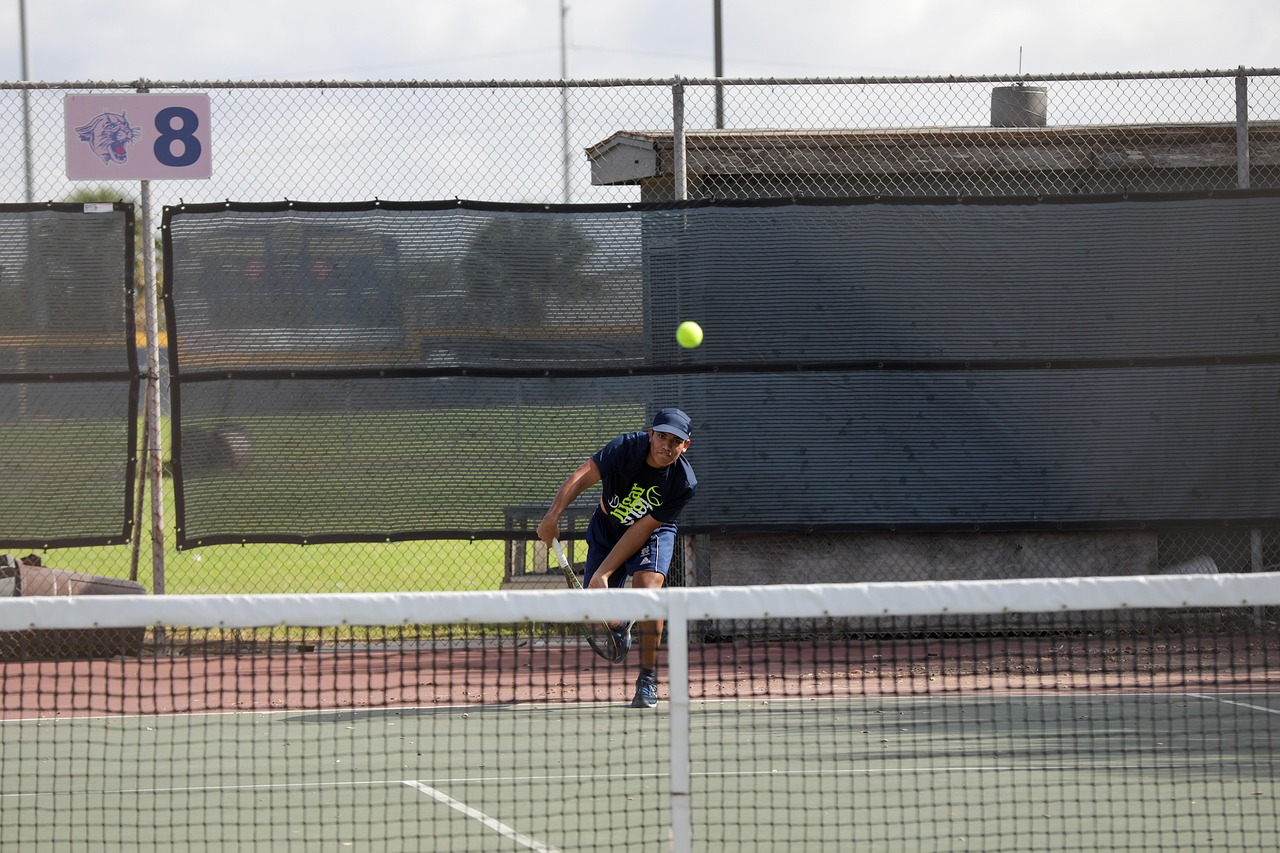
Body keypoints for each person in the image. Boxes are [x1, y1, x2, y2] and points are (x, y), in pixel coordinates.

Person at [536, 407, 698, 709]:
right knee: (596, 610)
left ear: (685, 445)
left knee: (649, 595)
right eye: (662, 437)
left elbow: (641, 529)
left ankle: (647, 679)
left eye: (675, 441)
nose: (667, 445)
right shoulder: (624, 448)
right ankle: (620, 624)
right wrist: (552, 516)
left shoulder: (683, 483)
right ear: (650, 434)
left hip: (651, 533)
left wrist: (605, 572)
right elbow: (582, 476)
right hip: (606, 528)